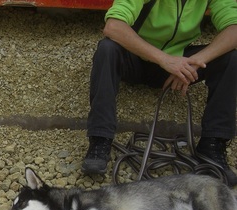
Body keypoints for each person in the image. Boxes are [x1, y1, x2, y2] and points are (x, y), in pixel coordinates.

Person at [82, 0, 237, 186]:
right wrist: (165, 60)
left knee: (231, 59)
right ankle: (100, 139)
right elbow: (113, 27)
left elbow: (234, 28)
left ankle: (213, 144)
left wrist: (194, 62)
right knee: (107, 49)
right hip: (138, 59)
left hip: (178, 62)